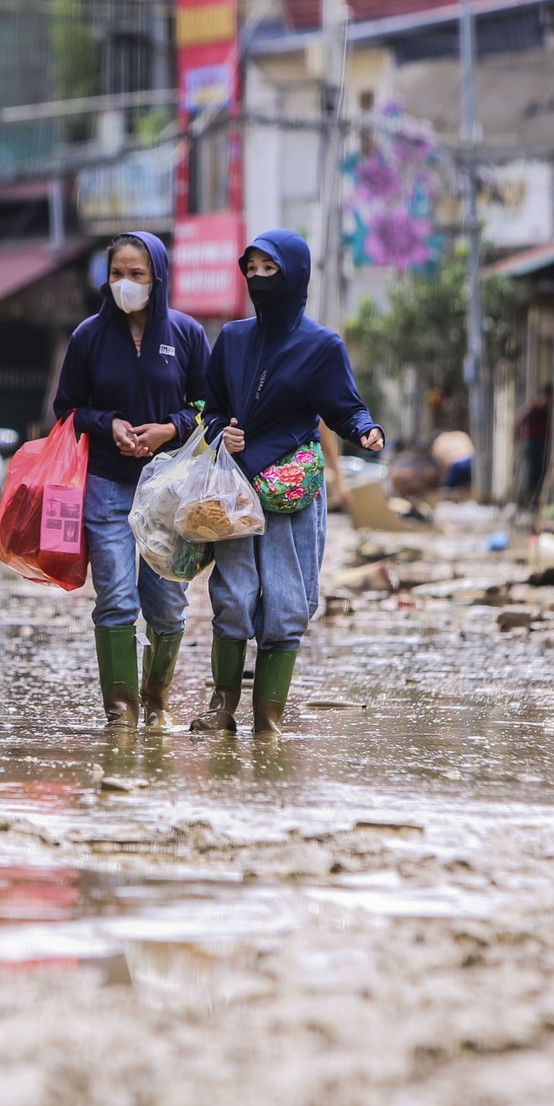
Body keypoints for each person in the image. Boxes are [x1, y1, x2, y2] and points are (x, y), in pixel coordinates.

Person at [194, 230, 384, 736]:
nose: (257, 279)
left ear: (295, 274)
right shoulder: (231, 339)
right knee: (233, 597)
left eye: (269, 269)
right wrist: (220, 430)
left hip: (290, 491)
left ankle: (268, 719)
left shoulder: (322, 346)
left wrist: (366, 430)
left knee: (285, 601)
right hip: (233, 489)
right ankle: (221, 708)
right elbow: (209, 407)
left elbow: (346, 406)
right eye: (250, 269)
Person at [53, 232, 210, 728]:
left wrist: (171, 427)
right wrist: (108, 424)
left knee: (166, 604)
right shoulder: (88, 337)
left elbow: (208, 406)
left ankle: (156, 700)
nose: (124, 284)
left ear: (157, 278)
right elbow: (67, 409)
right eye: (116, 274)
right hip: (107, 480)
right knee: (117, 597)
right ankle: (121, 712)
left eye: (136, 275)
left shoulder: (186, 334)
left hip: (170, 489)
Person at [516, 383, 551, 507]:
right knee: (530, 472)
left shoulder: (547, 409)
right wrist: (518, 440)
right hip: (531, 442)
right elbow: (519, 419)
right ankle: (525, 501)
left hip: (541, 442)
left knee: (540, 471)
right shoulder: (535, 406)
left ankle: (534, 501)